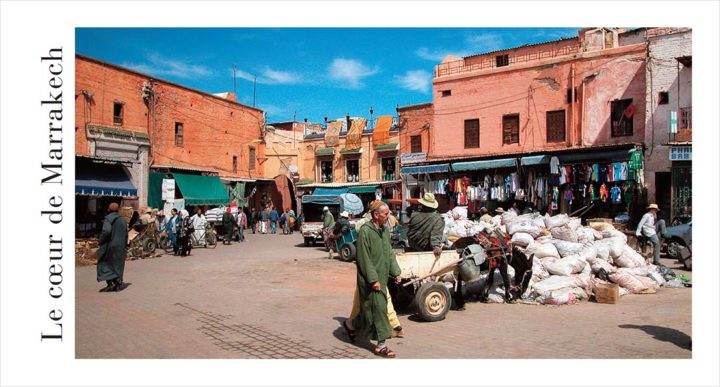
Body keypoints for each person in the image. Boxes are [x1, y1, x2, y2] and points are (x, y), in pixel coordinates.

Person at [346, 201, 402, 358]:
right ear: (376, 215)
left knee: (367, 311)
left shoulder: (384, 230)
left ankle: (350, 325)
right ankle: (381, 346)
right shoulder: (365, 231)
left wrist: (396, 272)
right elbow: (364, 259)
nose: (388, 216)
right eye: (386, 214)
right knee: (379, 311)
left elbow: (389, 253)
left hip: (382, 277)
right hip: (371, 279)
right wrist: (373, 280)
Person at [96, 203, 129, 292]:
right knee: (118, 265)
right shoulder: (122, 220)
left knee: (106, 263)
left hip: (110, 246)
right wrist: (125, 245)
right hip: (120, 246)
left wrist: (101, 241)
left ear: (109, 210)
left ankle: (110, 282)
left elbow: (106, 231)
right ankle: (118, 283)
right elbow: (126, 234)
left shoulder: (108, 219)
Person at [407, 193, 445, 257]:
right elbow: (436, 234)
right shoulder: (438, 218)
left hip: (413, 244)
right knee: (444, 238)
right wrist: (436, 246)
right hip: (425, 247)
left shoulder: (414, 214)